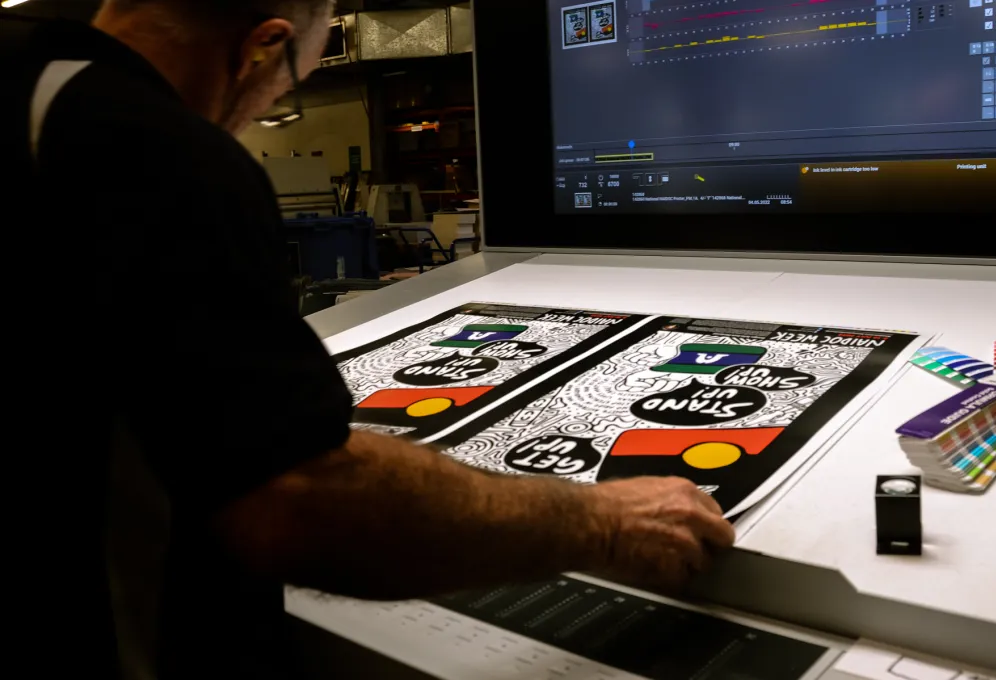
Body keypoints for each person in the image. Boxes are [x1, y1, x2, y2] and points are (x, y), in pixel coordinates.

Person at [5, 2, 735, 678]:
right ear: (265, 47)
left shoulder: (28, 72)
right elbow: (299, 500)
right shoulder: (152, 147)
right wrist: (601, 521)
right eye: (302, 72)